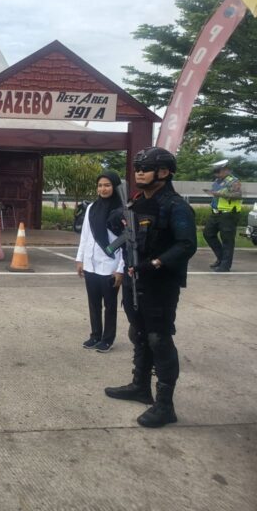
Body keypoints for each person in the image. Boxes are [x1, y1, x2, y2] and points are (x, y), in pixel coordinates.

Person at [104, 147, 197, 428]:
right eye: (137, 168)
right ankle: (140, 387)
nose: (139, 173)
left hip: (160, 284)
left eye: (145, 168)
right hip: (135, 279)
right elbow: (119, 228)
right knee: (138, 333)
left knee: (159, 339)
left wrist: (155, 263)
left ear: (164, 172)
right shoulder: (136, 202)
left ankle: (165, 405)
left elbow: (186, 245)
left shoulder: (175, 206)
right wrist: (117, 217)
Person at [75, 170, 124, 353]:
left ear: (115, 187)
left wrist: (121, 269)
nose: (103, 189)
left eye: (107, 185)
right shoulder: (92, 208)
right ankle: (95, 335)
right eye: (100, 185)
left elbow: (126, 242)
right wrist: (80, 259)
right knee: (93, 303)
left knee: (110, 306)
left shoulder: (122, 211)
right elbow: (85, 236)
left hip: (110, 265)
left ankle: (108, 339)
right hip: (91, 264)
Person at [202, 159, 242, 272]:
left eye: (218, 172)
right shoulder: (217, 181)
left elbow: (238, 195)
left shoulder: (233, 181)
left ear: (226, 170)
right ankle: (221, 258)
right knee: (208, 234)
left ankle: (225, 265)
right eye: (215, 172)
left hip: (228, 214)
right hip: (216, 213)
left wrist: (220, 194)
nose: (216, 174)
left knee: (227, 241)